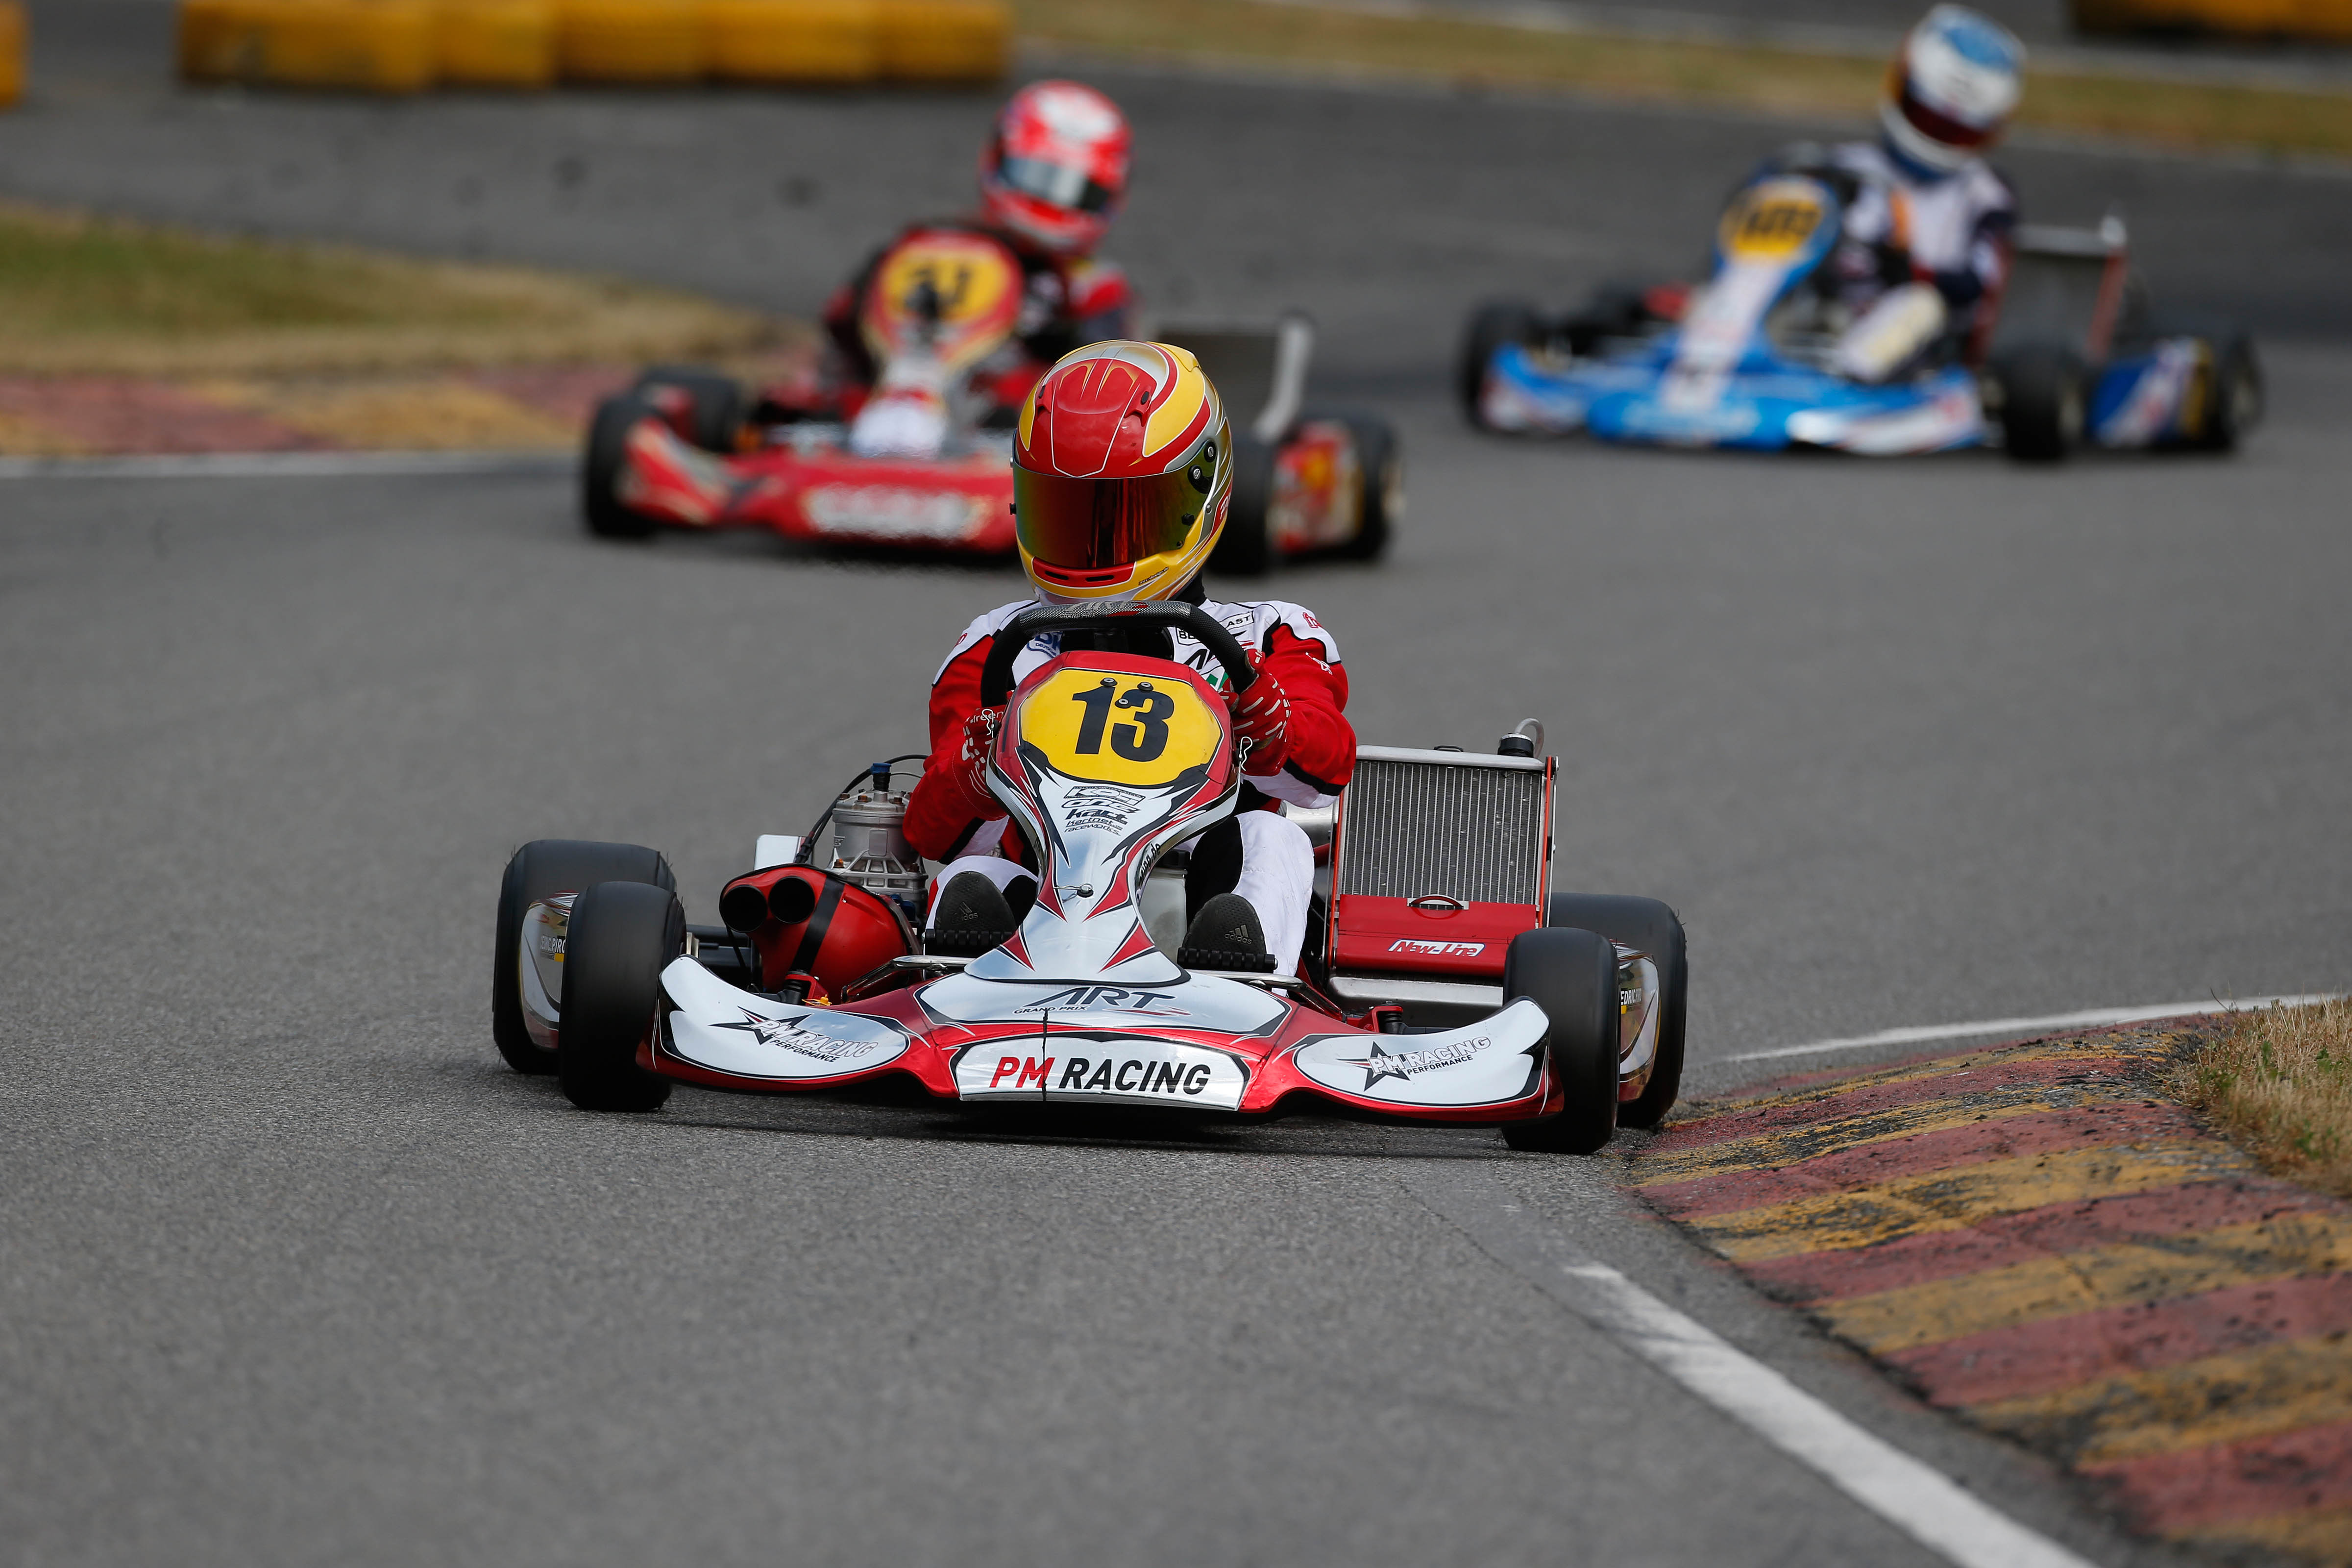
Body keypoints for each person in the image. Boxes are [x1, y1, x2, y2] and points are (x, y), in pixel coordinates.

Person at [902, 340, 1355, 976]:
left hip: (1205, 900)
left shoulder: (1267, 634)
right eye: (1068, 515)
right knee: (975, 874)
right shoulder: (999, 642)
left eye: (1131, 517)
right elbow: (935, 835)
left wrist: (1271, 724)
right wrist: (973, 774)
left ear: (1202, 494)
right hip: (1050, 903)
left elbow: (1326, 772)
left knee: (1271, 837)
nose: (1097, 548)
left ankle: (1242, 986)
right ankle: (970, 987)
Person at [810, 80, 1137, 419]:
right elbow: (841, 325)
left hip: (1011, 420)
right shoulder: (924, 244)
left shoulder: (1093, 287)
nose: (1050, 201)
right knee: (827, 392)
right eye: (1036, 176)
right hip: (885, 399)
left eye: (1078, 190)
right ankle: (865, 408)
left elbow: (1106, 391)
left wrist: (1052, 331)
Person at [1791, 5, 2026, 381]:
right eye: (1925, 118)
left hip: (1925, 346)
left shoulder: (1987, 196)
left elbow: (1983, 285)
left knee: (1920, 306)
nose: (1933, 137)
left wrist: (1906, 265)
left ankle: (1848, 377)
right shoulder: (1838, 165)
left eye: (1954, 132)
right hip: (1827, 307)